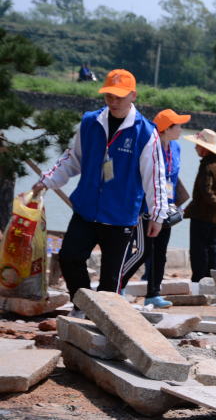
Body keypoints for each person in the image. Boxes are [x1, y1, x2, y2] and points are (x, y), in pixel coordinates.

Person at [32, 69, 168, 310]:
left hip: (120, 216)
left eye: (119, 97)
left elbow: (154, 176)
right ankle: (82, 306)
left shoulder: (146, 132)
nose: (113, 102)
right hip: (86, 209)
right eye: (109, 96)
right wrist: (47, 181)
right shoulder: (90, 122)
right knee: (69, 257)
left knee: (110, 281)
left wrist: (158, 214)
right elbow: (72, 159)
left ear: (133, 95)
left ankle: (102, 322)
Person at [120, 109, 191, 308]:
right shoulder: (149, 145)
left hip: (165, 209)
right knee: (142, 251)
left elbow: (172, 179)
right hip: (145, 208)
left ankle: (153, 294)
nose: (181, 129)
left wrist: (174, 205)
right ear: (166, 129)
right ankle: (118, 285)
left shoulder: (176, 148)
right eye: (178, 125)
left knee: (160, 253)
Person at [183, 129, 216, 282]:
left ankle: (198, 280)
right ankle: (210, 279)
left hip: (202, 215)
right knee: (211, 248)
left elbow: (205, 191)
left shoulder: (207, 166)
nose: (195, 148)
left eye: (197, 145)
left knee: (198, 250)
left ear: (204, 148)